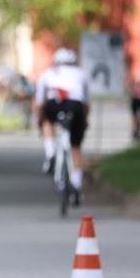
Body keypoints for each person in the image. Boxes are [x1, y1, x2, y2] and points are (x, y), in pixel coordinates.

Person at [34, 47, 90, 206]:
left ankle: (50, 151)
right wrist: (84, 121)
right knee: (76, 147)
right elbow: (86, 104)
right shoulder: (81, 74)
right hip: (76, 106)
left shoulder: (48, 74)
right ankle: (77, 185)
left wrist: (41, 119)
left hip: (55, 103)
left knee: (47, 120)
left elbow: (39, 103)